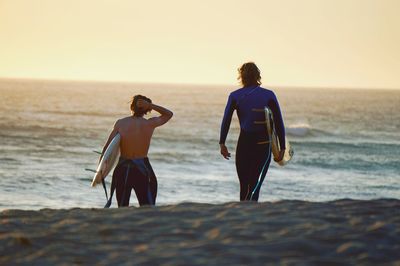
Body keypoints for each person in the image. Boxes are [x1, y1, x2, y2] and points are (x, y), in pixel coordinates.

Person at [219, 62, 286, 201]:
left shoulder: (235, 96)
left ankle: (243, 212)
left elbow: (226, 120)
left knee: (244, 184)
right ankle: (252, 211)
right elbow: (279, 122)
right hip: (263, 143)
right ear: (258, 75)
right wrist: (282, 147)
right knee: (255, 184)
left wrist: (222, 144)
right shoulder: (269, 95)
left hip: (244, 142)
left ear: (241, 76)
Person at [100, 95, 173, 207]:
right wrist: (150, 105)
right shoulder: (150, 124)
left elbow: (107, 148)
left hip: (123, 169)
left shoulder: (120, 123)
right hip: (142, 169)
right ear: (148, 110)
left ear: (131, 107)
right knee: (147, 205)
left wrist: (101, 168)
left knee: (122, 206)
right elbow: (169, 114)